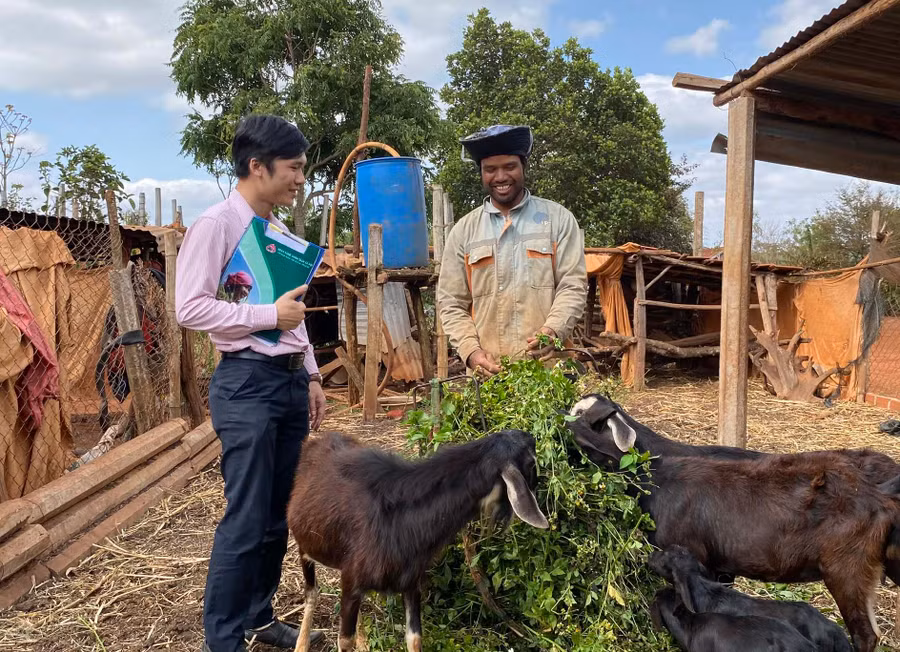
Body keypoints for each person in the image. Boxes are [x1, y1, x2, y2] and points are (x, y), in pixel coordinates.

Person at [175, 114, 327, 652]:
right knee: (245, 518)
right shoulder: (217, 225)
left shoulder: (278, 232)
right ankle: (222, 639)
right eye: (294, 168)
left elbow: (294, 313)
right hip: (245, 384)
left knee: (277, 516)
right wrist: (266, 316)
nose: (301, 178)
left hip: (287, 383)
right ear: (257, 166)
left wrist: (311, 372)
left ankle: (258, 617)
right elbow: (190, 308)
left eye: (303, 168)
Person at [437, 124, 588, 376]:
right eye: (490, 169)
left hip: (551, 373)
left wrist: (553, 330)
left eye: (509, 166)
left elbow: (572, 286)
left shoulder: (558, 220)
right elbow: (451, 303)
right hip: (489, 377)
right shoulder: (464, 231)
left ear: (523, 167)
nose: (500, 177)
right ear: (481, 173)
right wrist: (472, 352)